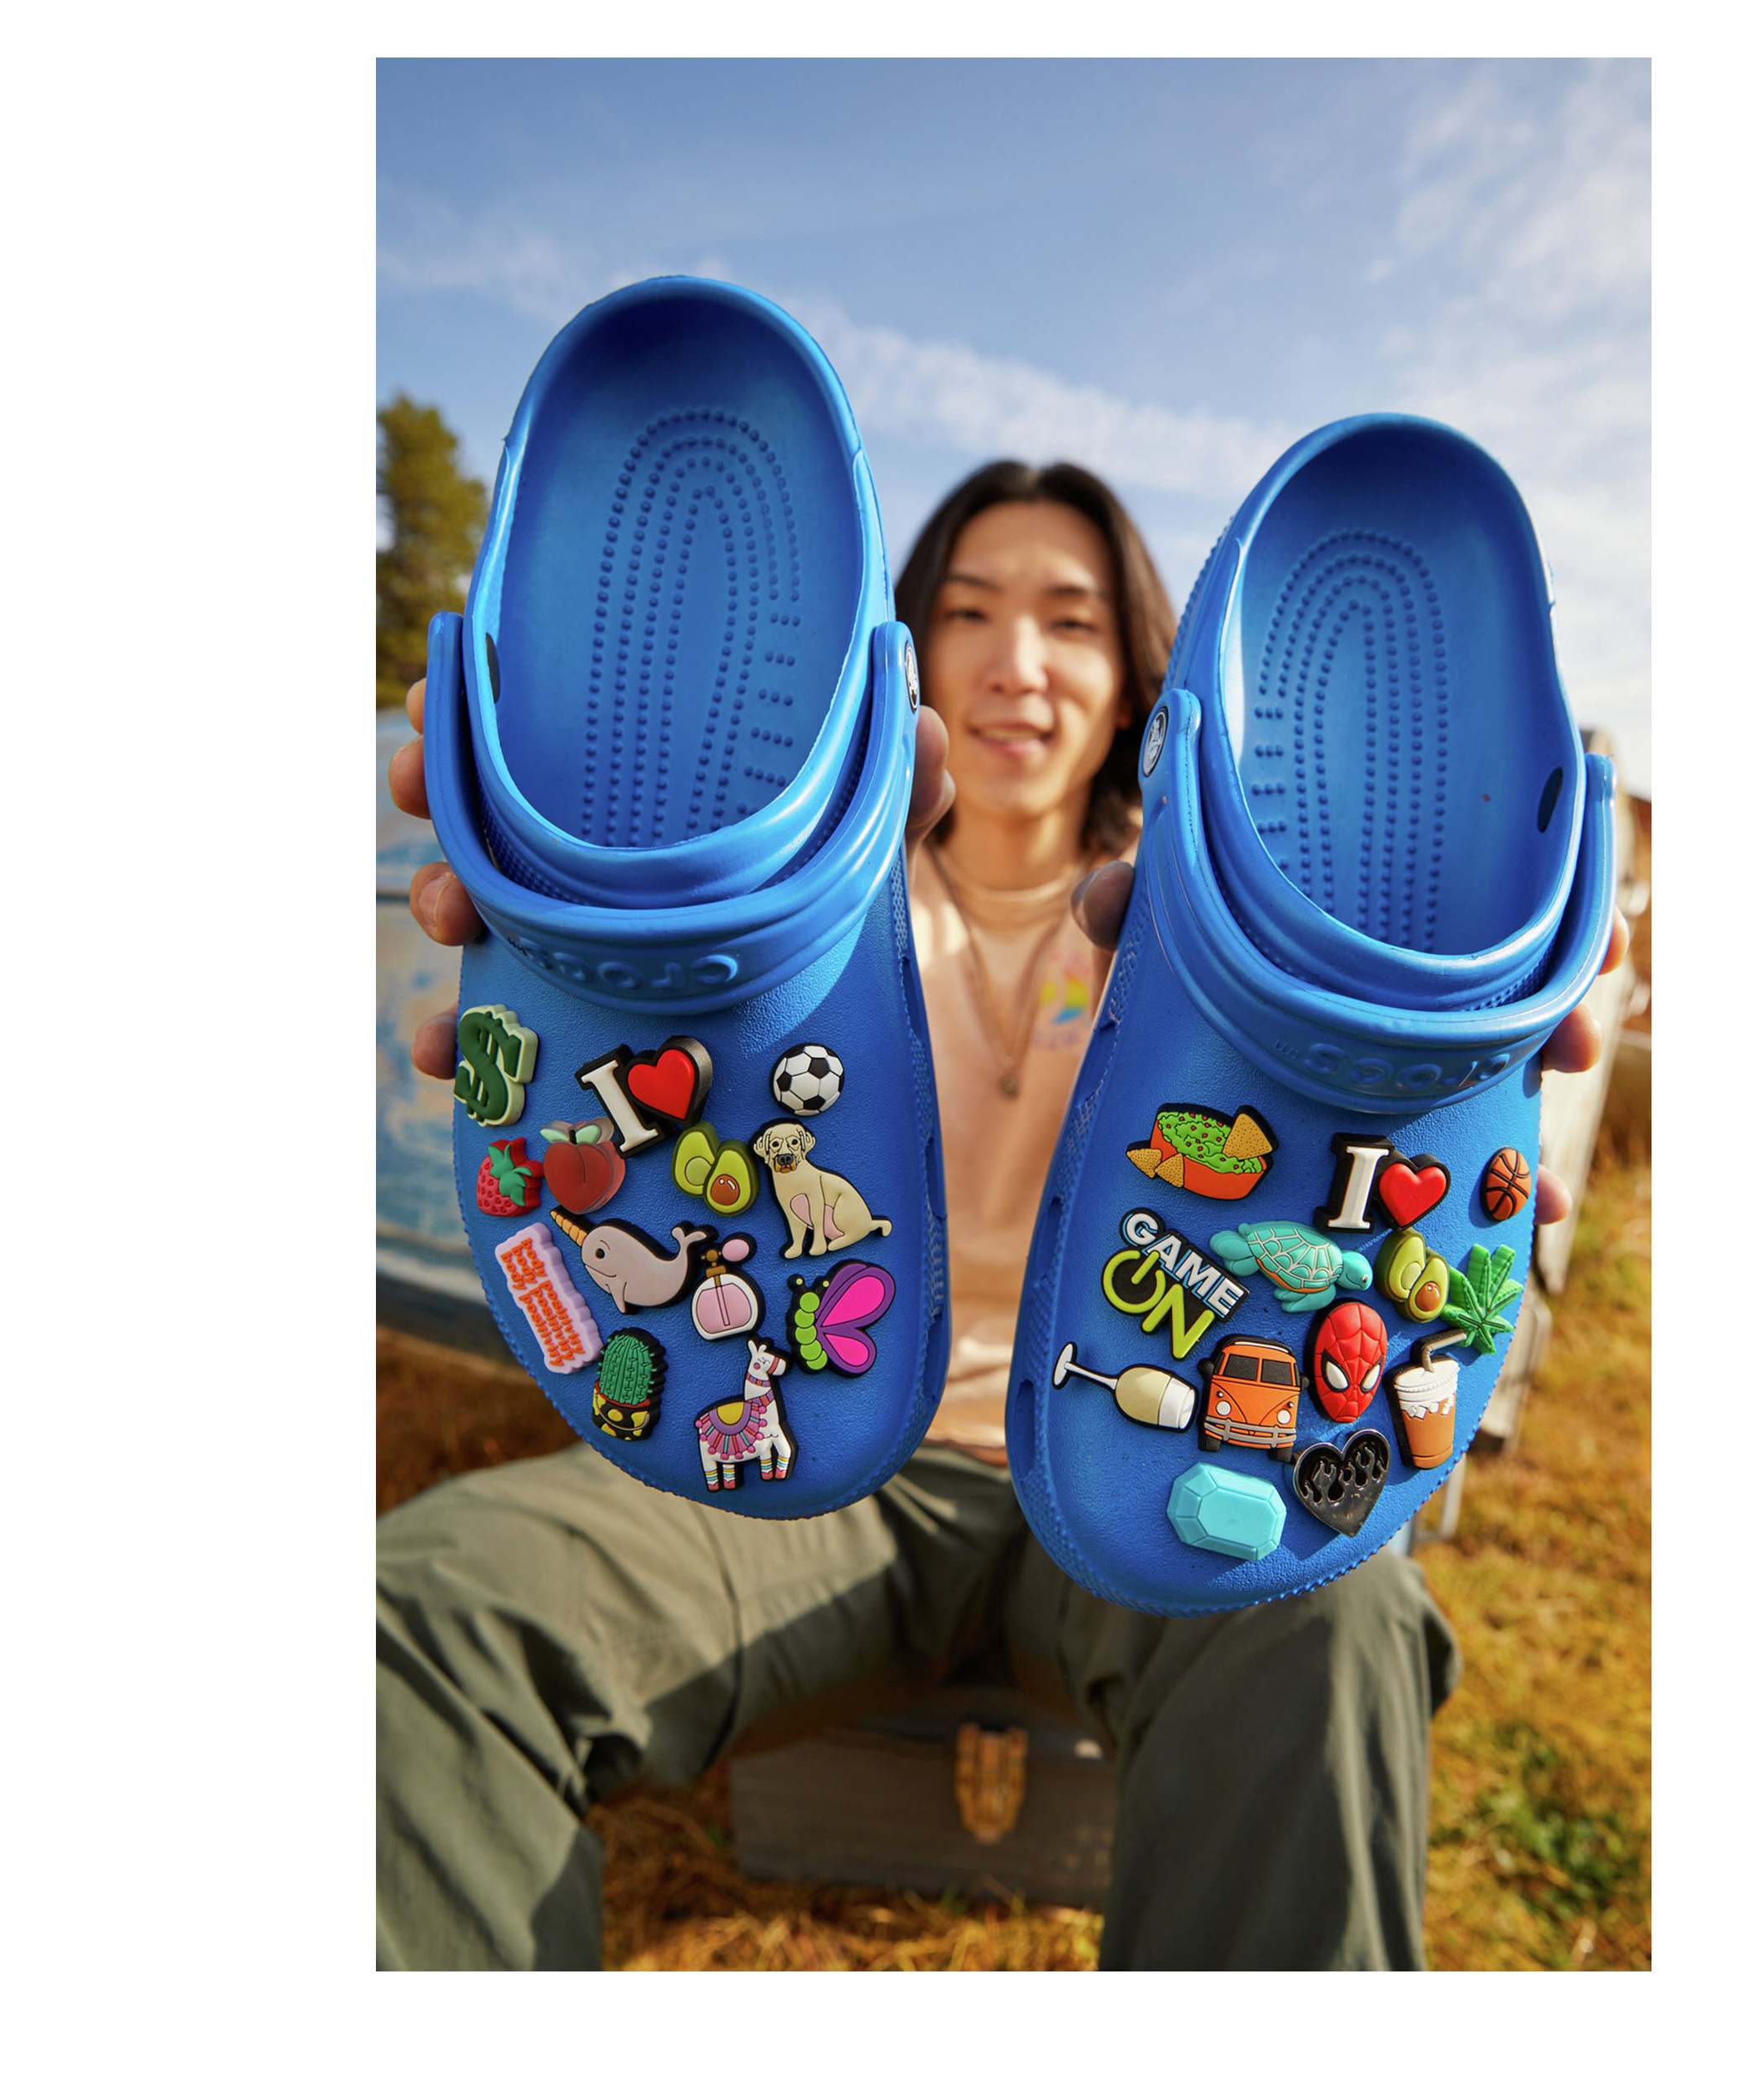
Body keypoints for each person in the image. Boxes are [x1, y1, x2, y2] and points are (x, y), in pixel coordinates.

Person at [378, 458, 1629, 1971]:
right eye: (970, 611)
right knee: (415, 1621)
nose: (1016, 659)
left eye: (1071, 620)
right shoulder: (847, 893)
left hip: (1128, 1459)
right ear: (898, 658)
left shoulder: (1159, 907)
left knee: (1341, 1624)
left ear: (1147, 684)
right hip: (818, 1449)